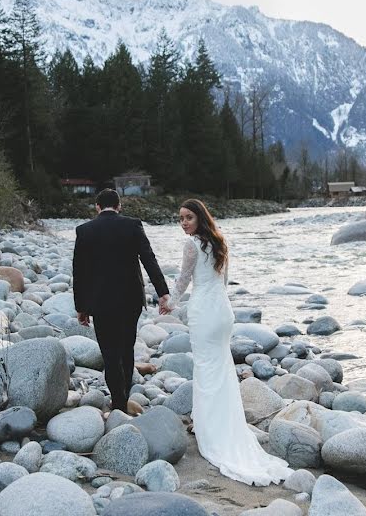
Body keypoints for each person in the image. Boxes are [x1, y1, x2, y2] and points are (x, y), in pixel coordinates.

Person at [164, 198, 292, 486]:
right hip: (222, 311)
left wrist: (169, 304)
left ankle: (211, 431)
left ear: (199, 218)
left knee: (207, 369)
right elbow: (222, 282)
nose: (183, 222)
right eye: (180, 218)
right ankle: (221, 425)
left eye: (188, 218)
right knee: (220, 367)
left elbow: (184, 279)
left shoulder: (191, 245)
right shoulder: (220, 242)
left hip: (204, 312)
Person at [73, 189, 170, 413]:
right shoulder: (133, 225)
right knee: (126, 349)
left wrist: (81, 307)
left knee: (109, 353)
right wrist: (163, 292)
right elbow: (149, 260)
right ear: (119, 206)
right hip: (130, 299)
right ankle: (123, 397)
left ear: (97, 207)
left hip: (100, 302)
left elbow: (79, 272)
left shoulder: (84, 231)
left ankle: (118, 403)